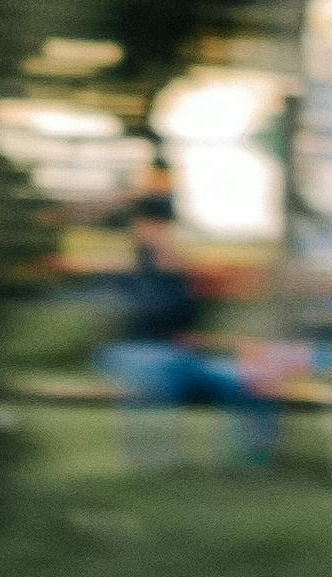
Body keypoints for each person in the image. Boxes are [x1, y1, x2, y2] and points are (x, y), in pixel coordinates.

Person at [94, 194, 278, 469]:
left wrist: (182, 275)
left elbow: (192, 324)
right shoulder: (125, 267)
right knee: (161, 368)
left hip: (182, 358)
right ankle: (152, 460)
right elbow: (130, 318)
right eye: (155, 225)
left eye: (165, 226)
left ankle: (250, 461)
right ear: (139, 227)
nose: (163, 233)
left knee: (252, 378)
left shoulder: (179, 271)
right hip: (135, 353)